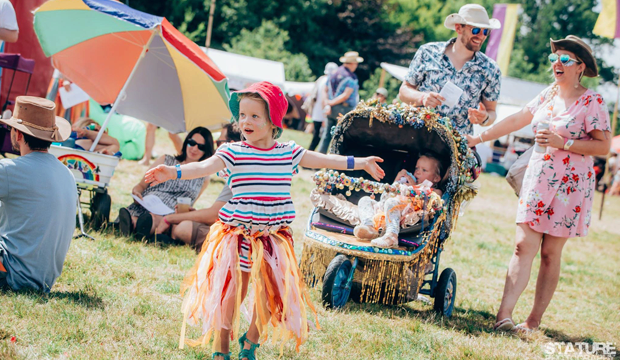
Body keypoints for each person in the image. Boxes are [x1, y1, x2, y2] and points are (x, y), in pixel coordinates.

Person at [145, 81, 384, 360]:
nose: (245, 121)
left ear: (273, 122)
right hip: (239, 236)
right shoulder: (234, 152)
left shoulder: (288, 152)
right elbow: (203, 166)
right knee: (233, 291)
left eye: (254, 116)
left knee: (271, 295)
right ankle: (222, 344)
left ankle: (251, 342)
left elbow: (325, 160)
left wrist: (361, 162)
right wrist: (172, 172)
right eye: (242, 115)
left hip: (273, 238)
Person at [466, 36, 611, 333]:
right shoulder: (547, 94)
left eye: (565, 59)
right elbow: (519, 118)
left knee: (549, 254)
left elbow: (603, 147)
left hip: (571, 187)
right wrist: (479, 137)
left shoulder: (592, 101)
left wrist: (565, 142)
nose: (557, 63)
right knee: (522, 246)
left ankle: (533, 320)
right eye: (554, 58)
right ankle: (503, 316)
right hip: (539, 177)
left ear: (580, 66)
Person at [0, 96, 77, 292]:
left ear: (18, 134)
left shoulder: (12, 170)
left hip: (12, 273)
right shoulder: (66, 173)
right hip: (42, 279)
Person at [398, 4, 501, 135]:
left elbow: (491, 112)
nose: (481, 36)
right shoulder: (428, 52)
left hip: (454, 144)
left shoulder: (491, 69)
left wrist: (484, 118)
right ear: (458, 28)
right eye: (475, 30)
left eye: (486, 31)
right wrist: (422, 97)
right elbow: (403, 91)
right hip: (415, 133)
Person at [154, 123, 242, 251]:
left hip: (239, 237)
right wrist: (195, 214)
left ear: (231, 144)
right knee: (184, 224)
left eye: (218, 143)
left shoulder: (239, 175)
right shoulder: (239, 170)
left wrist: (170, 219)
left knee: (183, 227)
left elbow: (213, 215)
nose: (216, 149)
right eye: (191, 143)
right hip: (237, 229)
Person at [118, 127, 215, 239]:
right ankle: (127, 224)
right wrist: (136, 192)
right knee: (138, 216)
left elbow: (190, 203)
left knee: (154, 219)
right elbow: (141, 185)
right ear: (186, 142)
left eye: (201, 146)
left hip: (169, 213)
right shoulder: (166, 161)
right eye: (191, 143)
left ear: (206, 150)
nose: (194, 148)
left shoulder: (204, 178)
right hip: (147, 203)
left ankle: (132, 227)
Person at [355, 154, 443, 248]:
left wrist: (413, 188)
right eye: (417, 168)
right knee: (364, 200)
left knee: (391, 203)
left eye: (424, 170)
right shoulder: (407, 182)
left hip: (404, 211)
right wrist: (397, 181)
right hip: (386, 209)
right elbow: (387, 195)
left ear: (436, 178)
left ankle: (392, 236)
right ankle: (369, 227)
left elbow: (429, 202)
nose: (417, 172)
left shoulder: (434, 191)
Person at [317, 51, 363, 154]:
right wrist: (331, 103)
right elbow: (346, 95)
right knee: (339, 137)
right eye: (356, 63)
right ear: (352, 63)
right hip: (343, 109)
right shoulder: (351, 77)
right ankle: (334, 162)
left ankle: (318, 160)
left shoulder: (333, 73)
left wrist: (327, 103)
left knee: (326, 135)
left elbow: (325, 89)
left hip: (331, 109)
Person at [303, 62, 338, 151]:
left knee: (316, 136)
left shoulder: (321, 79)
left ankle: (309, 156)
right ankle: (309, 158)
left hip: (316, 113)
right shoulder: (329, 81)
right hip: (322, 113)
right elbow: (324, 98)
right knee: (319, 137)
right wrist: (324, 115)